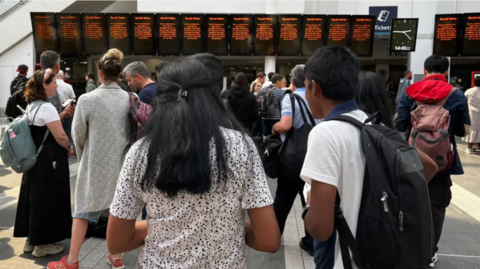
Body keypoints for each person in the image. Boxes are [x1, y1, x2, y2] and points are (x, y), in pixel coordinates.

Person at [107, 59, 280, 269]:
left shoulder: (142, 151)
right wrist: (224, 225)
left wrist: (161, 226)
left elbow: (117, 241)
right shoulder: (241, 146)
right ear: (212, 97)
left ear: (160, 99)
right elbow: (268, 240)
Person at [48, 49, 131, 269]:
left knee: (83, 211)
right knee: (117, 212)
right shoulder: (130, 98)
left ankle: (72, 260)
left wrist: (85, 156)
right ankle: (116, 255)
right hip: (121, 165)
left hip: (94, 163)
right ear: (120, 73)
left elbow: (78, 135)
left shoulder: (87, 99)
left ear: (100, 73)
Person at [395, 54, 470, 268]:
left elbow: (400, 124)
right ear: (446, 72)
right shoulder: (456, 94)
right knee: (436, 208)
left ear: (425, 71)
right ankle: (429, 253)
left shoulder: (410, 92)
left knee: (409, 204)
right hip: (442, 163)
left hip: (413, 159)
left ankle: (409, 249)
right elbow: (461, 130)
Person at [13, 69, 73, 258]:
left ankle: (32, 240)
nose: (57, 84)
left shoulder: (32, 104)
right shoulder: (46, 107)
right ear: (44, 86)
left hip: (35, 158)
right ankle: (43, 245)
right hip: (49, 158)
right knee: (48, 198)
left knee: (34, 197)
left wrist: (61, 114)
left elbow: (43, 126)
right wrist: (69, 147)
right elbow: (60, 135)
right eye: (54, 82)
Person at [271, 64, 322, 256]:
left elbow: (285, 125)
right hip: (315, 156)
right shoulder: (318, 97)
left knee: (283, 199)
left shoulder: (290, 98)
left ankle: (273, 237)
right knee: (310, 200)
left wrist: (275, 129)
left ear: (292, 81)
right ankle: (310, 241)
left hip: (292, 159)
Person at [463, 76, 480, 153]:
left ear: (474, 82)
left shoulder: (469, 91)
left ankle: (469, 148)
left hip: (472, 114)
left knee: (472, 130)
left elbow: (463, 100)